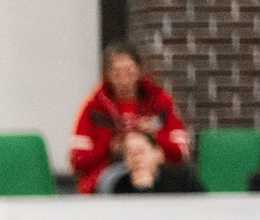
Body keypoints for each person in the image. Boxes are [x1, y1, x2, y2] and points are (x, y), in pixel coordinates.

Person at [70, 42, 190, 194]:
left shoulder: (160, 102)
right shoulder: (94, 107)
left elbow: (181, 153)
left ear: (139, 71)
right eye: (117, 73)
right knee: (117, 182)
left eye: (129, 71)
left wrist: (153, 137)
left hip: (158, 173)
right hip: (107, 176)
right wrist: (110, 148)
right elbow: (78, 160)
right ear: (107, 75)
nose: (124, 79)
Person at [107, 128, 204, 194]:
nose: (136, 158)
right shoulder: (121, 185)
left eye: (141, 151)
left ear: (158, 154)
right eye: (130, 153)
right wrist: (142, 190)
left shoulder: (182, 180)